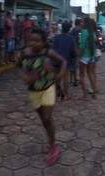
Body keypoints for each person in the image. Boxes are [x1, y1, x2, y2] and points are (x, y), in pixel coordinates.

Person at [18, 29, 66, 165]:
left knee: (47, 117)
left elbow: (63, 61)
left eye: (37, 41)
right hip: (33, 91)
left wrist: (59, 76)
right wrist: (25, 76)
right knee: (44, 121)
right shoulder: (25, 53)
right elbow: (19, 66)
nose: (33, 43)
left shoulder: (48, 52)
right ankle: (51, 141)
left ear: (44, 42)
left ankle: (53, 146)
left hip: (48, 88)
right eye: (31, 40)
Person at [53, 22, 77, 100]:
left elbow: (53, 49)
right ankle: (66, 94)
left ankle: (57, 93)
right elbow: (73, 51)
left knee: (57, 77)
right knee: (66, 78)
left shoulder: (56, 37)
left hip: (56, 60)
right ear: (69, 29)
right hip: (66, 60)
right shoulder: (71, 38)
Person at [79, 17, 98, 100]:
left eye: (82, 22)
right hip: (92, 56)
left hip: (84, 56)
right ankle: (94, 93)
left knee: (82, 75)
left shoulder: (84, 32)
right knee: (90, 74)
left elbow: (82, 46)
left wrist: (79, 56)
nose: (81, 23)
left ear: (85, 23)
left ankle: (85, 95)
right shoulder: (92, 32)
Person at [70, 19, 82, 86]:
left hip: (73, 49)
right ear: (79, 23)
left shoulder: (73, 30)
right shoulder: (79, 30)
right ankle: (75, 80)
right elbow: (79, 41)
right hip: (77, 49)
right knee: (75, 65)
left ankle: (72, 80)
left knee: (73, 65)